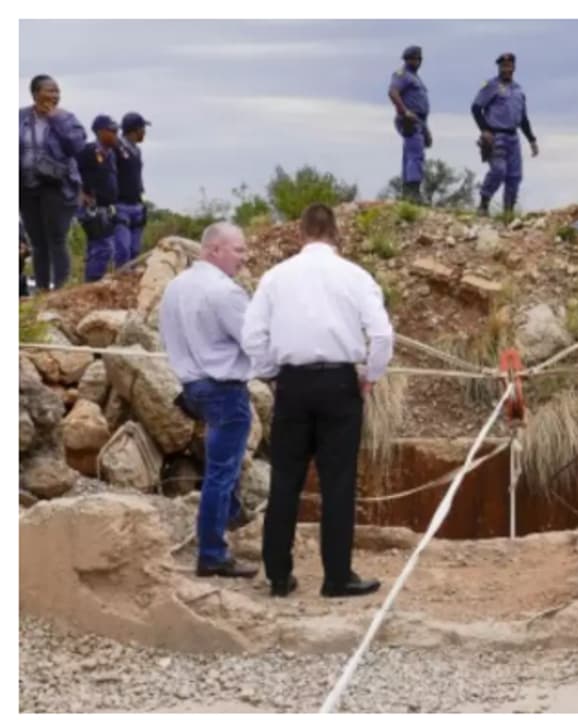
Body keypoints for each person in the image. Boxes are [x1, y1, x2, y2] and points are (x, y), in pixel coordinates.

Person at [242, 204, 394, 599]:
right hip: (340, 384)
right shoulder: (355, 276)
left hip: (292, 383)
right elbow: (381, 335)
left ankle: (277, 574)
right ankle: (337, 577)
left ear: (300, 234)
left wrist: (272, 373)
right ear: (336, 234)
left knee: (285, 481)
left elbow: (252, 335)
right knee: (338, 483)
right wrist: (370, 377)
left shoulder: (276, 277)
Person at [158, 222, 258, 579]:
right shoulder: (225, 292)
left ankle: (232, 519)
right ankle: (213, 552)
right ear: (214, 249)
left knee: (221, 467)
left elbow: (164, 336)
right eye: (239, 250)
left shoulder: (175, 287)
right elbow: (255, 341)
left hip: (192, 387)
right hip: (223, 389)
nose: (244, 259)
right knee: (221, 471)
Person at [18, 74, 86, 292]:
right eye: (50, 90)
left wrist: (56, 119)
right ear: (36, 93)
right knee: (37, 241)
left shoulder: (67, 118)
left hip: (56, 186)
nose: (55, 95)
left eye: (57, 92)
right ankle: (41, 288)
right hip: (26, 187)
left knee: (56, 238)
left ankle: (61, 289)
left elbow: (76, 146)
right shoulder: (19, 118)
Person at [472, 53, 538, 217]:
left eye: (509, 66)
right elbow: (476, 108)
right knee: (498, 170)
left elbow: (523, 118)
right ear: (499, 67)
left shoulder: (518, 90)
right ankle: (484, 204)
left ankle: (508, 212)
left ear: (514, 67)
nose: (506, 68)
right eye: (503, 66)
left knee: (515, 176)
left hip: (513, 137)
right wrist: (484, 130)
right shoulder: (491, 85)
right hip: (496, 135)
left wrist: (532, 139)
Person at [74, 115, 131, 282]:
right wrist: (80, 193)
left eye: (117, 130)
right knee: (103, 247)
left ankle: (94, 281)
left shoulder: (111, 154)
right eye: (112, 130)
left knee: (111, 248)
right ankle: (92, 283)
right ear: (100, 132)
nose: (117, 134)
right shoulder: (88, 151)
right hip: (92, 208)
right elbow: (70, 172)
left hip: (109, 208)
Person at [388, 45, 432, 204]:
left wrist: (426, 129)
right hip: (409, 118)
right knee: (415, 154)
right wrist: (404, 111)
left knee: (410, 154)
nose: (415, 61)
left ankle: (407, 192)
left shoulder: (416, 78)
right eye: (411, 58)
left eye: (417, 58)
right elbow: (393, 92)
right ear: (406, 59)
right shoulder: (402, 74)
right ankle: (413, 192)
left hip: (419, 120)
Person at [115, 112, 151, 262]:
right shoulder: (117, 147)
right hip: (120, 204)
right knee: (123, 249)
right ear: (136, 129)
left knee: (134, 251)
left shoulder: (136, 150)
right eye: (143, 128)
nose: (145, 132)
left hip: (136, 204)